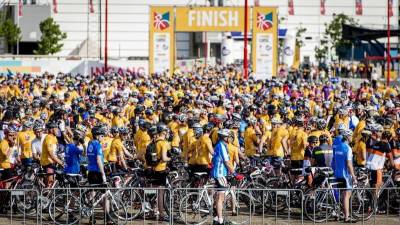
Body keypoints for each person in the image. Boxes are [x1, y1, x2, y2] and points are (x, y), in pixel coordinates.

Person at [210, 129, 236, 225]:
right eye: (229, 137)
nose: (230, 138)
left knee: (218, 197)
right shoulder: (221, 146)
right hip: (220, 174)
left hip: (218, 173)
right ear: (225, 137)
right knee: (221, 198)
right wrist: (234, 173)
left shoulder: (220, 145)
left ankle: (217, 218)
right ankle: (220, 219)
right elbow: (227, 162)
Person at [331, 129, 357, 223]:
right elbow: (349, 164)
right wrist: (353, 176)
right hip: (345, 175)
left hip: (338, 173)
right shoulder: (348, 148)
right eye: (351, 136)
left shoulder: (338, 147)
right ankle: (347, 217)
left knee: (343, 195)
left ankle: (342, 213)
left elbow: (333, 160)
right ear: (347, 137)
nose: (352, 138)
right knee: (347, 195)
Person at [150, 123, 171, 221]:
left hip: (153, 169)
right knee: (160, 193)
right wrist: (171, 158)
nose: (167, 133)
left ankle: (153, 211)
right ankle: (162, 214)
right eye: (166, 132)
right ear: (163, 132)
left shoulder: (154, 141)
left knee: (154, 191)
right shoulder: (164, 143)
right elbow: (163, 157)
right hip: (161, 170)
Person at [41, 121, 63, 188]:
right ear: (51, 129)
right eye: (56, 128)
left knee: (53, 181)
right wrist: (60, 162)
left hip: (52, 162)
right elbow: (51, 154)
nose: (57, 130)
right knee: (50, 182)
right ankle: (46, 196)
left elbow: (55, 152)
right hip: (47, 162)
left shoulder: (54, 137)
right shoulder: (49, 138)